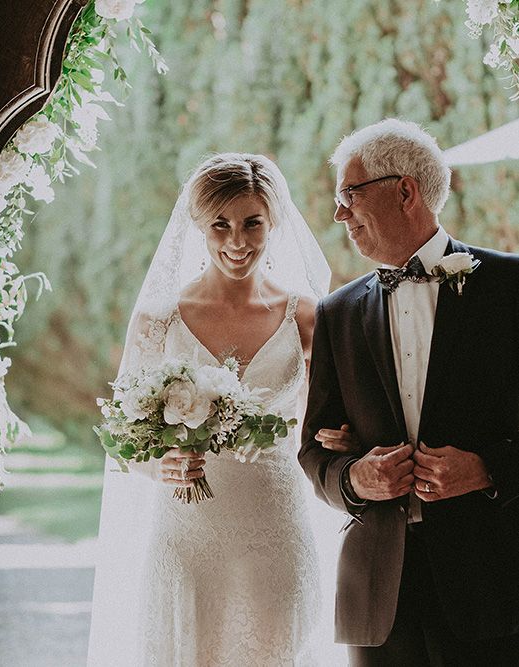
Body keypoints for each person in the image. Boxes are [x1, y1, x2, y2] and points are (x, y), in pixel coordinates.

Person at [87, 153, 340, 665]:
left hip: (275, 528)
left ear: (274, 224)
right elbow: (123, 440)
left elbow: (322, 432)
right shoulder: (159, 320)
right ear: (199, 226)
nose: (237, 241)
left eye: (252, 223)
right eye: (220, 225)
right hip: (187, 536)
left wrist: (342, 438)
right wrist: (162, 464)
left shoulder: (308, 318)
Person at [299, 118, 519, 666]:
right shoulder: (337, 314)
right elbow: (314, 452)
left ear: (405, 191)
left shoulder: (511, 289)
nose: (338, 214)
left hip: (492, 585)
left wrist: (486, 468)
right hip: (377, 598)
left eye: (349, 195)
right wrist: (354, 478)